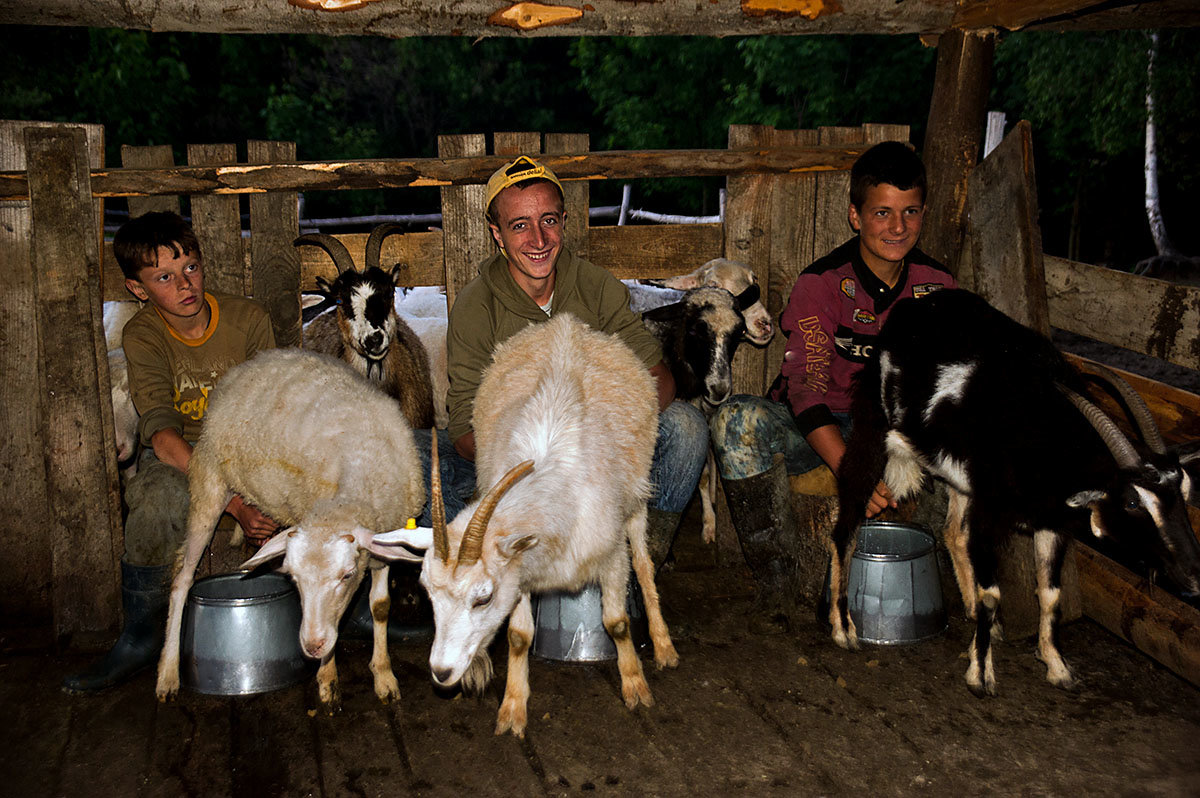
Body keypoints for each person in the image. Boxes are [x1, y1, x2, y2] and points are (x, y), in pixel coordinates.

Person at [710, 141, 957, 629]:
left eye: (910, 212)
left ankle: (940, 583)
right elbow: (806, 392)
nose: (898, 226)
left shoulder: (938, 286)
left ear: (923, 214)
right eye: (882, 212)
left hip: (893, 432)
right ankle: (778, 587)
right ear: (855, 215)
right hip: (816, 426)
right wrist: (855, 476)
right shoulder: (821, 284)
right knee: (735, 420)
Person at [445, 155, 709, 566]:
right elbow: (463, 429)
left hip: (598, 450)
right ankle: (494, 570)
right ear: (497, 234)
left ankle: (641, 560)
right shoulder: (475, 307)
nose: (539, 239)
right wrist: (540, 448)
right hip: (516, 462)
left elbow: (660, 378)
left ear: (564, 222)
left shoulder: (595, 286)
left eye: (548, 220)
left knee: (687, 428)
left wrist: (592, 436)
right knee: (422, 464)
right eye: (520, 226)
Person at [63, 211, 279, 692]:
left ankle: (345, 608)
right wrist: (232, 502)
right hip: (181, 455)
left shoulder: (248, 320)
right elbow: (161, 436)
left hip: (253, 446)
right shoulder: (143, 335)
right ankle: (141, 636)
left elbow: (274, 411)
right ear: (138, 289)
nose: (186, 284)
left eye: (192, 268)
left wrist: (262, 485)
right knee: (155, 503)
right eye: (164, 277)